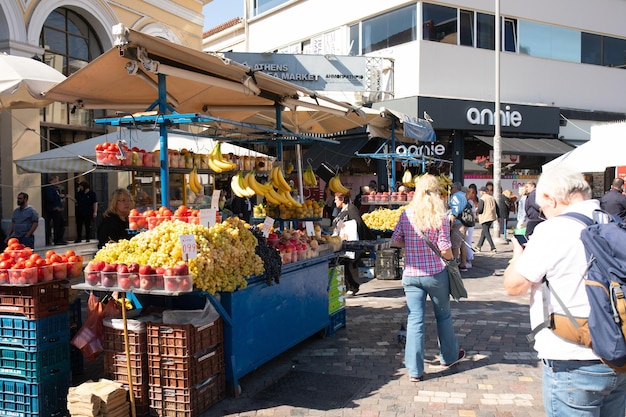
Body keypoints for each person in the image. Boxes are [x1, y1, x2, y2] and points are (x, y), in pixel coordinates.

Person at [503, 166, 626, 417]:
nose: (544, 214)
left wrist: (517, 257)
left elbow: (514, 286)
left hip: (572, 357)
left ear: (552, 198)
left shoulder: (554, 230)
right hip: (618, 352)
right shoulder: (612, 220)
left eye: (543, 208)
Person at [391, 174, 465, 382]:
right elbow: (445, 248)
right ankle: (449, 357)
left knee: (415, 320)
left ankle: (414, 371)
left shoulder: (406, 214)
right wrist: (449, 259)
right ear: (436, 194)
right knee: (443, 316)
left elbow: (395, 241)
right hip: (435, 274)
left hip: (411, 275)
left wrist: (412, 247)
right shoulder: (440, 217)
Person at [331, 192, 375, 295]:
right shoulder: (342, 210)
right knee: (342, 263)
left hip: (350, 243)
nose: (334, 201)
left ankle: (351, 286)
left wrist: (349, 233)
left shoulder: (351, 208)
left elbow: (358, 223)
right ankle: (351, 286)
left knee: (342, 262)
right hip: (341, 242)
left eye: (336, 199)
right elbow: (340, 225)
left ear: (342, 199)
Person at [448, 182, 468, 271]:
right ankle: (463, 264)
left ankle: (454, 265)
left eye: (451, 188)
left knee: (455, 245)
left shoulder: (455, 196)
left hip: (457, 223)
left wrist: (450, 224)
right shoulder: (463, 195)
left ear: (455, 188)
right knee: (462, 244)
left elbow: (454, 212)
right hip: (464, 223)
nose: (450, 190)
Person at [43, 175, 66, 245]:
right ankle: (57, 240)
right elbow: (50, 199)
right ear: (53, 180)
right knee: (57, 225)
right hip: (53, 209)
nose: (58, 182)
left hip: (57, 209)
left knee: (61, 223)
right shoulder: (49, 188)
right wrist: (55, 206)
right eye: (57, 180)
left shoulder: (53, 188)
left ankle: (60, 239)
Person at [474, 186, 497, 252]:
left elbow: (480, 209)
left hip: (485, 217)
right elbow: (497, 207)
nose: (480, 192)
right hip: (492, 217)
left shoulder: (483, 199)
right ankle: (479, 246)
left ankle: (493, 247)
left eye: (481, 191)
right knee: (484, 232)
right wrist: (498, 216)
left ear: (483, 192)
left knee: (486, 232)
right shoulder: (492, 198)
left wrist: (476, 210)